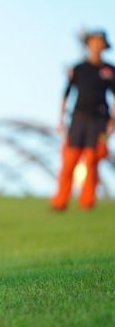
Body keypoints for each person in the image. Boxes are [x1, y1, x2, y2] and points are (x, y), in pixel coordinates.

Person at [50, 30, 115, 211]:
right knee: (69, 161)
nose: (96, 45)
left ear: (104, 46)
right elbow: (65, 95)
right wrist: (61, 119)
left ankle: (87, 202)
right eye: (93, 42)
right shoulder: (78, 69)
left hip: (99, 121)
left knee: (93, 161)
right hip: (78, 120)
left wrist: (112, 122)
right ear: (88, 44)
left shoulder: (109, 70)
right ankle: (60, 201)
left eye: (100, 42)